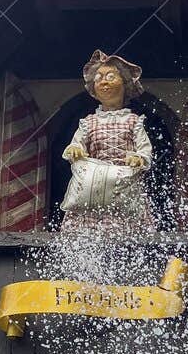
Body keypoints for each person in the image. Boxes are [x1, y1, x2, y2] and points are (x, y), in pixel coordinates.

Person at [59, 50, 157, 235]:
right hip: (93, 188)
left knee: (128, 235)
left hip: (123, 187)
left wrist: (139, 158)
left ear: (125, 84)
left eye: (111, 76)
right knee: (86, 234)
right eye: (99, 78)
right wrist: (75, 148)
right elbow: (77, 142)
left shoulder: (134, 121)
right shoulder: (88, 122)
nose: (103, 82)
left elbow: (144, 149)